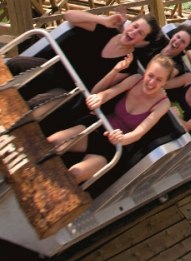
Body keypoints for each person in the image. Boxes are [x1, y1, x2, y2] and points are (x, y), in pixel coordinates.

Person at [46, 55, 175, 183]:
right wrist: (100, 97)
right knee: (52, 142)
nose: (151, 82)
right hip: (98, 127)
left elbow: (139, 133)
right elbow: (111, 92)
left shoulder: (163, 104)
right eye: (150, 75)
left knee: (74, 174)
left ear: (165, 83)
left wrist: (122, 139)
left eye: (159, 80)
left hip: (113, 145)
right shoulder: (136, 79)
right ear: (146, 71)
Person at [8, 11, 161, 99]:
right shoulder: (105, 29)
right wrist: (103, 20)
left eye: (140, 33)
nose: (133, 32)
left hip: (69, 88)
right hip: (54, 66)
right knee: (16, 65)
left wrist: (115, 71)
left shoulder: (129, 65)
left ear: (143, 41)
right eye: (134, 26)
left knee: (39, 101)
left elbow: (95, 91)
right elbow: (68, 15)